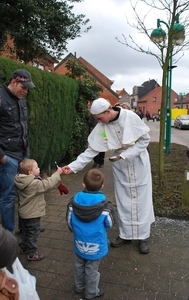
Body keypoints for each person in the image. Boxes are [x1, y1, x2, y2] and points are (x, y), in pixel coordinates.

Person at [63, 98, 155, 254]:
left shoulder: (130, 117)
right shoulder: (102, 125)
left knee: (142, 200)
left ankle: (143, 237)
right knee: (124, 200)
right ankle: (125, 235)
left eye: (99, 118)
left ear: (107, 111)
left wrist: (127, 154)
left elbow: (144, 140)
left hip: (138, 161)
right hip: (120, 165)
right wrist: (72, 167)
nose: (98, 122)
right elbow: (91, 151)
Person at [66, 168, 116, 300]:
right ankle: (91, 293)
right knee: (92, 270)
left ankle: (79, 287)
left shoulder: (73, 202)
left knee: (79, 265)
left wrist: (76, 231)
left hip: (79, 241)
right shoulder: (105, 205)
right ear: (102, 186)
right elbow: (110, 223)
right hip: (96, 244)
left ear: (83, 184)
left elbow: (69, 221)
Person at [0, 69, 35, 234]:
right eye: (24, 87)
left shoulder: (21, 100)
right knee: (8, 196)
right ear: (14, 81)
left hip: (23, 154)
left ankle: (25, 228)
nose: (26, 91)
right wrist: (2, 156)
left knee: (26, 190)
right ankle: (9, 234)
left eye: (28, 88)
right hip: (8, 157)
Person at [14, 159, 67, 261]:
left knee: (26, 231)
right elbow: (47, 184)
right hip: (33, 214)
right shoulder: (33, 184)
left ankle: (24, 248)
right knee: (33, 233)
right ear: (30, 173)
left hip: (24, 213)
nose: (39, 169)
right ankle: (32, 253)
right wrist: (57, 173)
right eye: (37, 168)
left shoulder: (21, 180)